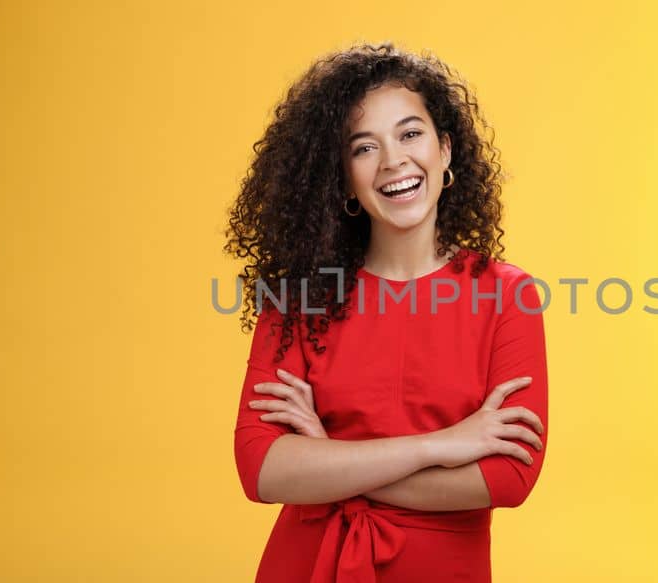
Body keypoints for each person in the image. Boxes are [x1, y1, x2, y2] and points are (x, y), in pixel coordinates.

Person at [226, 43, 549, 583]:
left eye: (410, 133)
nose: (393, 160)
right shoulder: (299, 295)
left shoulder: (507, 295)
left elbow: (507, 479)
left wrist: (328, 458)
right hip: (306, 565)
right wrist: (438, 446)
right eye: (363, 147)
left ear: (445, 151)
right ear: (344, 178)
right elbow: (261, 470)